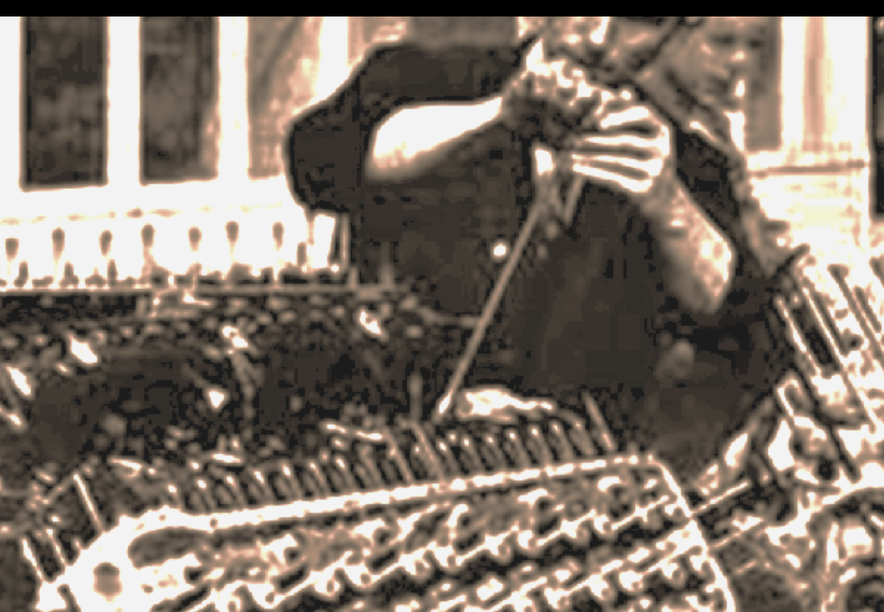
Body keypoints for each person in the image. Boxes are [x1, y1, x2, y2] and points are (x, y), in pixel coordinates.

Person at [285, 16, 790, 469]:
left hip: (571, 489)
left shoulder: (684, 157)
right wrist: (495, 114)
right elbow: (318, 163)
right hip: (386, 471)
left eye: (638, 22)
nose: (598, 37)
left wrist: (669, 206)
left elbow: (742, 329)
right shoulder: (419, 77)